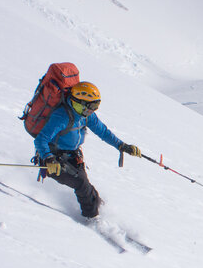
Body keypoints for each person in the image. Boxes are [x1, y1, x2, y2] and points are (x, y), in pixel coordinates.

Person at [34, 81, 141, 219]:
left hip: (72, 157)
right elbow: (40, 139)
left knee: (85, 185)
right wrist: (48, 158)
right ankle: (92, 218)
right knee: (81, 184)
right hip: (52, 159)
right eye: (91, 106)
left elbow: (103, 132)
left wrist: (121, 145)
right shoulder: (61, 117)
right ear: (79, 102)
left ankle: (99, 208)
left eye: (96, 105)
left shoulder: (86, 115)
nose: (93, 110)